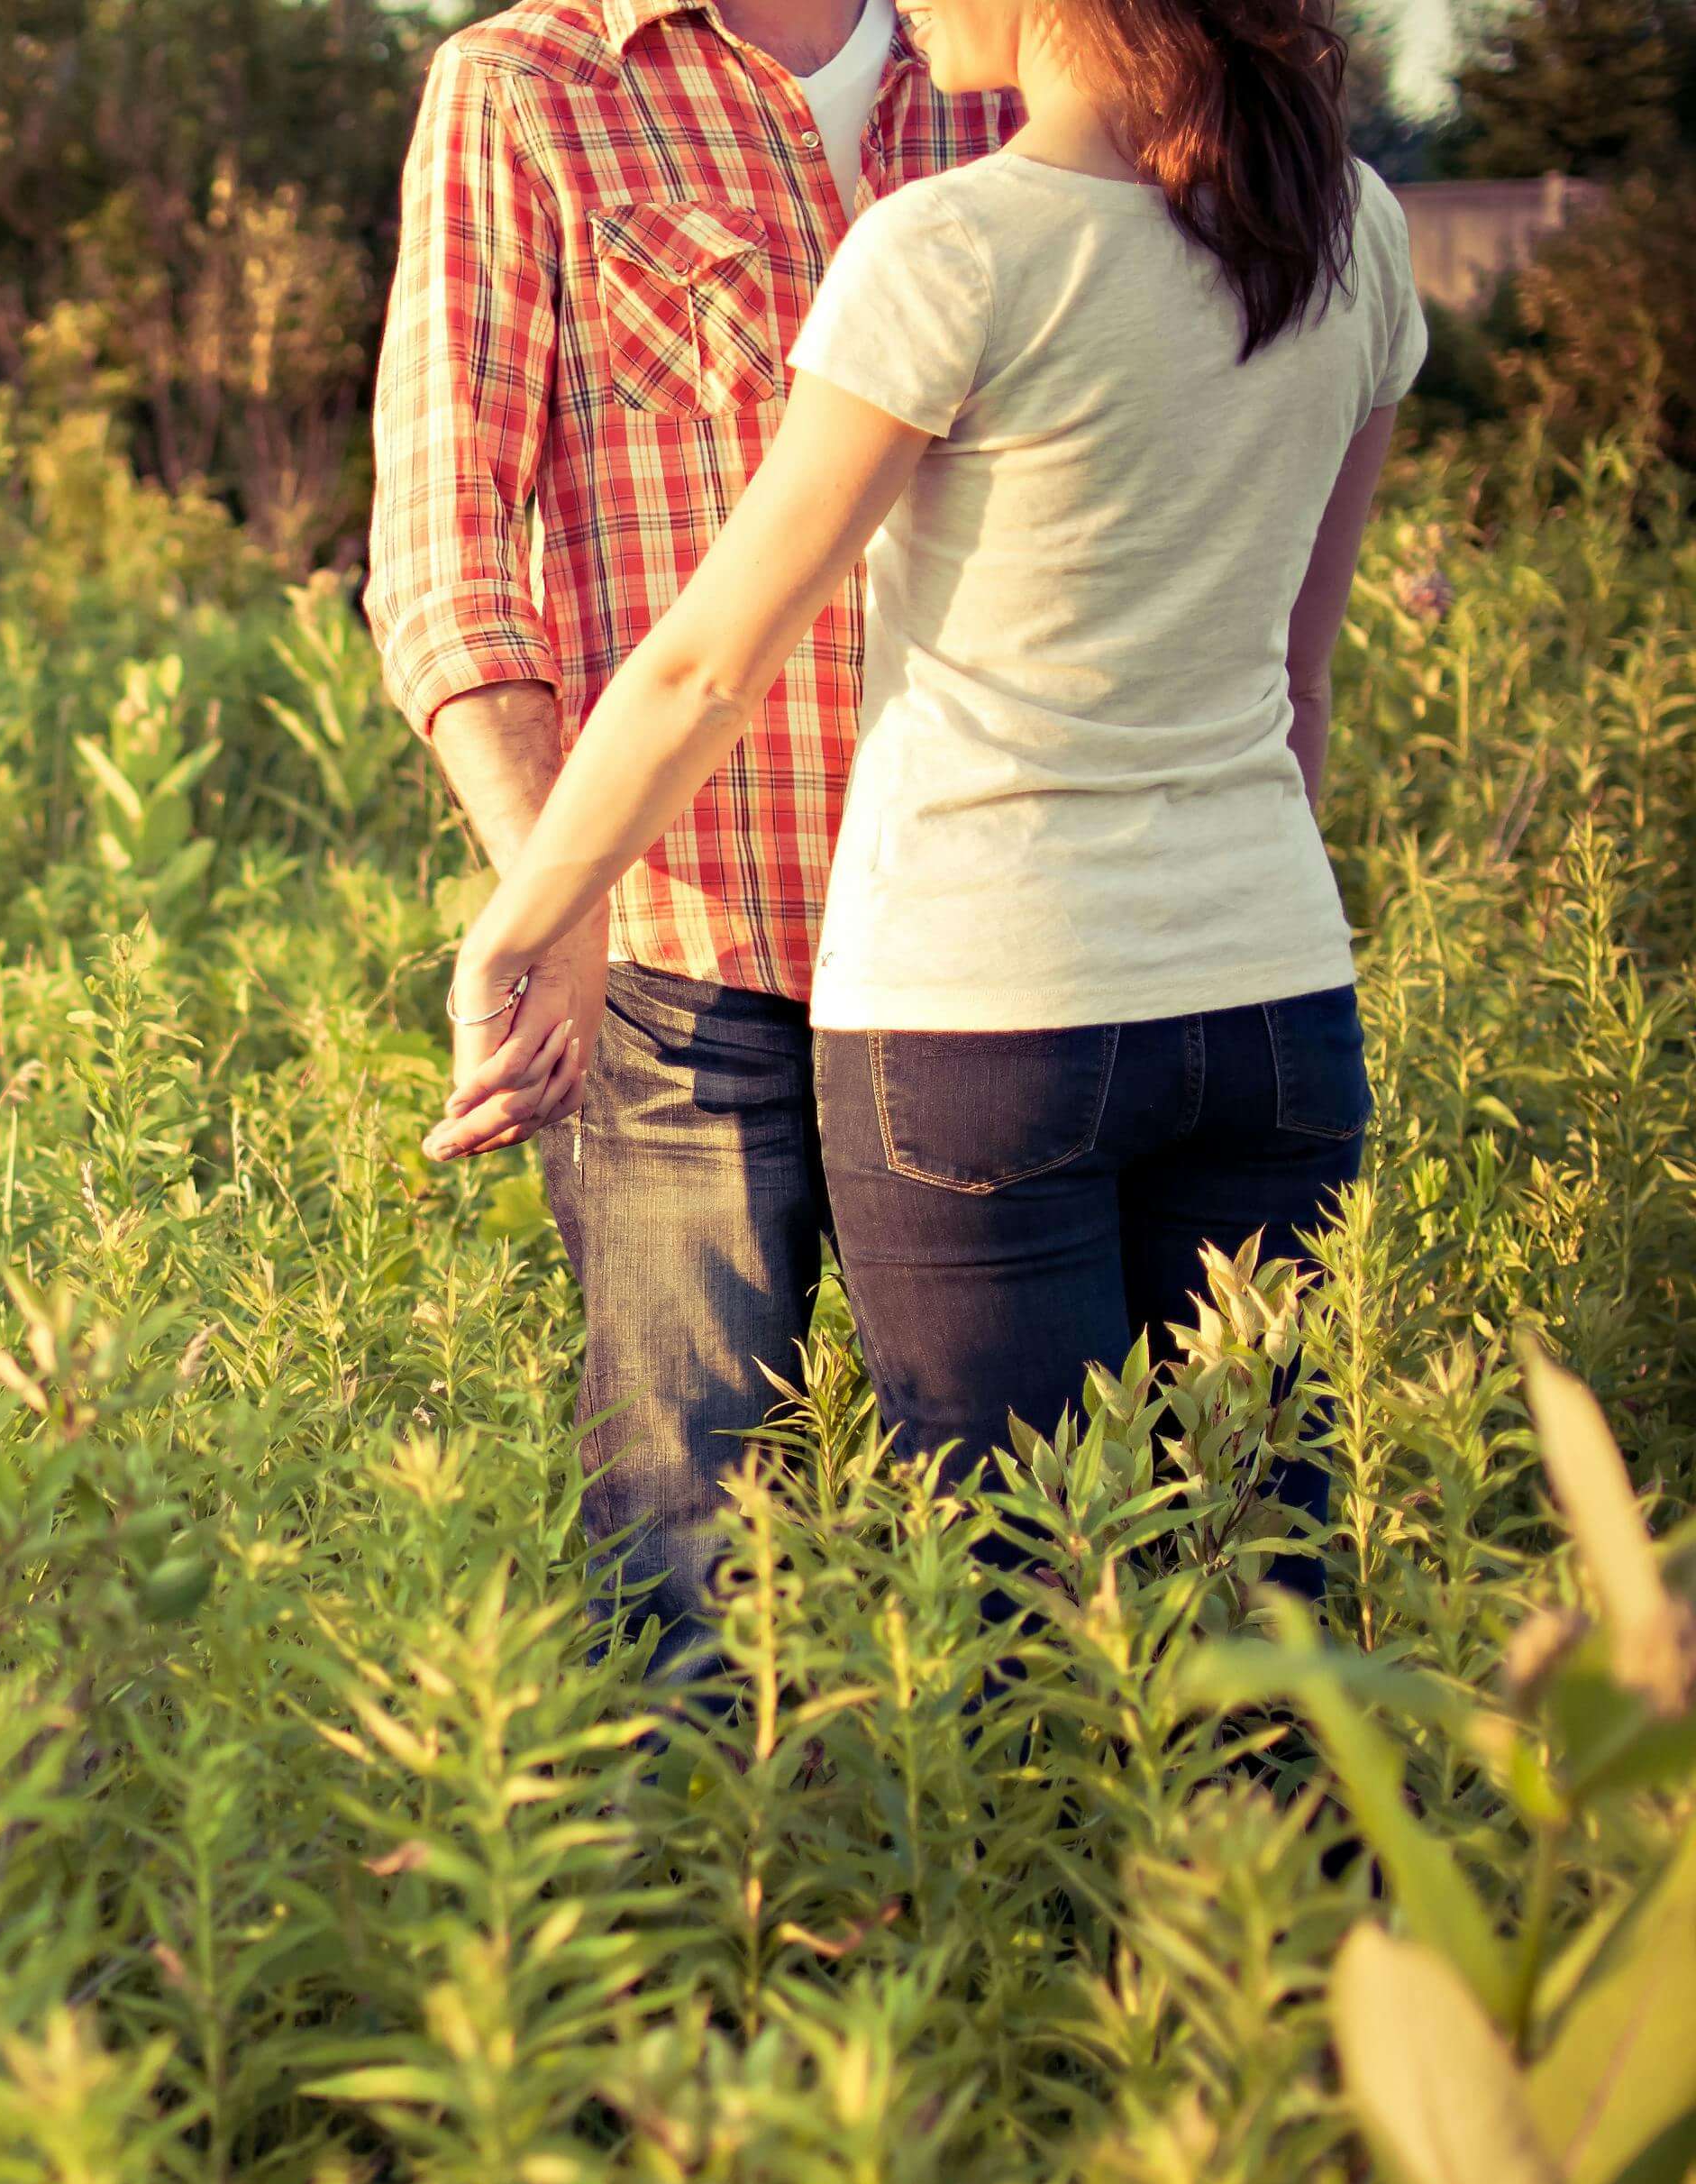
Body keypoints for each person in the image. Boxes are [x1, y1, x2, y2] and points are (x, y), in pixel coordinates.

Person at [426, 0, 1424, 1596]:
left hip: (979, 1005)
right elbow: (1298, 688)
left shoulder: (951, 240)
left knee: (1023, 1603)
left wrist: (520, 919)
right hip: (1266, 997)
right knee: (1257, 1580)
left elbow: (701, 671)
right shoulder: (1354, 227)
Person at [363, 0, 1017, 1672]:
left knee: (1019, 1538)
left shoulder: (1026, 69)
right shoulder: (529, 89)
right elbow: (443, 557)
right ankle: (688, 1924)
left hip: (995, 954)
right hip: (681, 962)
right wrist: (558, 898)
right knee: (685, 1557)